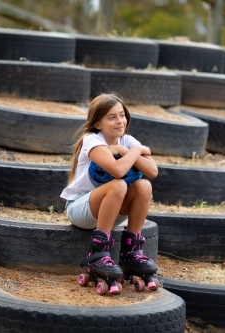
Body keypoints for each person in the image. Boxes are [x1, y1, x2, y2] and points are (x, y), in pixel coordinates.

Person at [60, 93, 159, 293]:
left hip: (111, 211)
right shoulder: (92, 140)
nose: (120, 121)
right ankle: (99, 253)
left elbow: (152, 171)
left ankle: (131, 251)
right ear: (97, 123)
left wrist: (127, 150)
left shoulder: (128, 141)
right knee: (119, 184)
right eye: (111, 117)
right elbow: (118, 171)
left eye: (122, 115)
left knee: (144, 186)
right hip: (81, 210)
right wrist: (132, 151)